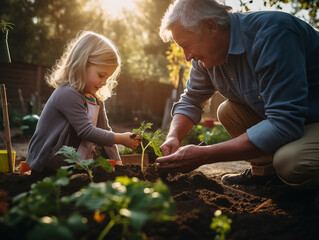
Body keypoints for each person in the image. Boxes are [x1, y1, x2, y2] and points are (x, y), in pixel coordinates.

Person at [156, 0, 319, 192]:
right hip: (297, 121)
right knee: (228, 111)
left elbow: (285, 123)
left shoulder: (273, 35)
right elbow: (191, 100)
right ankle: (266, 175)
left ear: (211, 26)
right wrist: (173, 137)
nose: (187, 56)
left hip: (311, 119)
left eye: (186, 45)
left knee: (291, 162)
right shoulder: (205, 55)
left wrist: (205, 155)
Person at [26, 31, 140, 175]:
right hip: (49, 166)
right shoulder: (67, 94)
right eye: (101, 75)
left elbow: (105, 129)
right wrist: (120, 139)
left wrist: (117, 162)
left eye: (108, 77)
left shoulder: (95, 98)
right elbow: (85, 131)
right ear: (82, 64)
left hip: (73, 166)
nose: (104, 82)